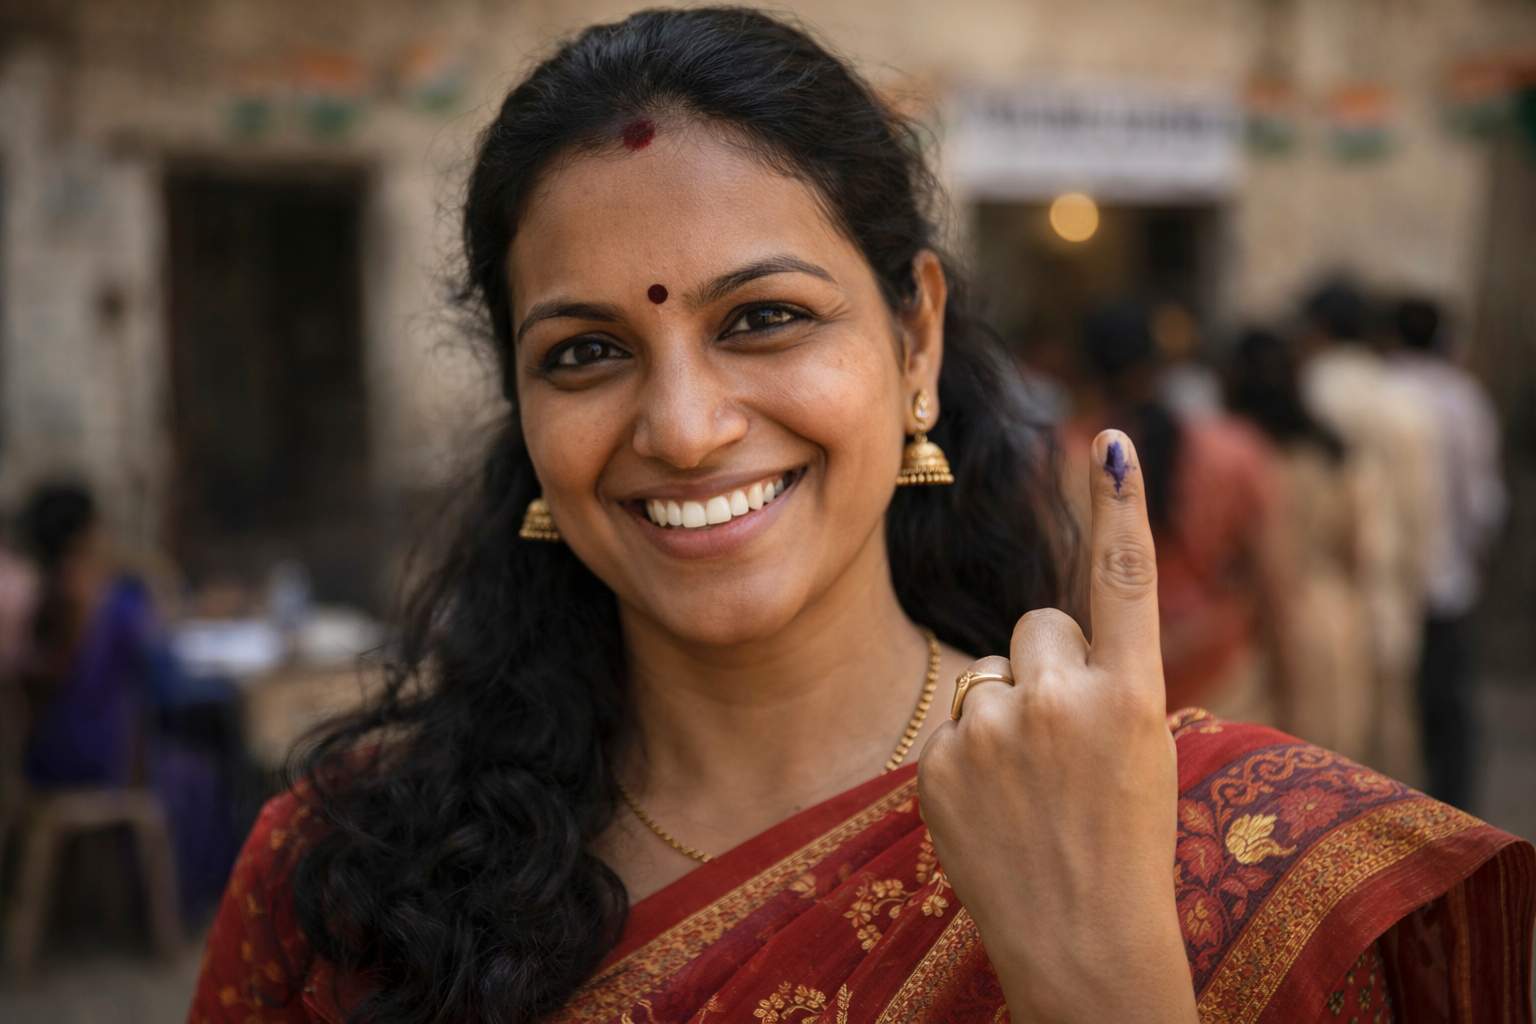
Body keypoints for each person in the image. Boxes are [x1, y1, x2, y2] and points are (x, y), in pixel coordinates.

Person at [188, 11, 1533, 1024]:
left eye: (764, 319)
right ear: (522, 408)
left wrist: (1106, 975)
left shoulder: (1218, 848)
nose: (686, 426)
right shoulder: (347, 870)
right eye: (584, 353)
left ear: (916, 343)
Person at [1062, 302, 1296, 722]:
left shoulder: (1064, 461)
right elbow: (1271, 584)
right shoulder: (1234, 451)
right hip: (1225, 685)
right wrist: (1294, 697)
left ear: (1082, 373)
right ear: (1159, 366)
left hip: (1113, 698)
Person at [18, 483, 238, 920]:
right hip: (98, 760)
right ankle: (196, 906)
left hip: (40, 756)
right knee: (206, 764)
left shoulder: (39, 593)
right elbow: (165, 680)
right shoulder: (112, 601)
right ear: (84, 535)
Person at [1298, 279, 1439, 788]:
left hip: (1318, 593)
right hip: (1389, 593)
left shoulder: (1307, 391)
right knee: (1389, 753)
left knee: (1323, 763)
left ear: (1314, 330)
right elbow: (1423, 513)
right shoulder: (1406, 403)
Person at [1225, 329, 1375, 762]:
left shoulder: (1237, 457)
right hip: (1338, 625)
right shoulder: (1334, 454)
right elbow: (1359, 550)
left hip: (1264, 635)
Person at [1386, 299, 1507, 810]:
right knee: (1446, 712)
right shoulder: (1465, 398)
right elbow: (1482, 499)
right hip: (1447, 578)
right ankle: (1452, 821)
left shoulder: (1385, 392)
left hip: (1389, 582)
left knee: (1396, 714)